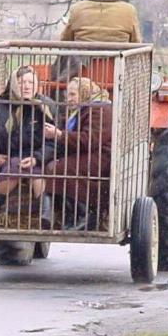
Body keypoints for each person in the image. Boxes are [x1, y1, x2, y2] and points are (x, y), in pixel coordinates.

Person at [0, 66, 55, 227]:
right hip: (8, 156)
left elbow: (54, 142)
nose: (26, 86)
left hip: (37, 156)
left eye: (31, 82)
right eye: (21, 82)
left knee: (36, 173)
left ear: (37, 85)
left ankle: (46, 214)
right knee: (14, 168)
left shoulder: (46, 107)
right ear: (12, 84)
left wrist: (37, 158)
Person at [44, 77, 112, 230]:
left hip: (101, 156)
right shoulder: (84, 109)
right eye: (67, 95)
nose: (69, 99)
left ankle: (85, 213)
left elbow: (90, 139)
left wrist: (59, 135)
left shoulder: (100, 109)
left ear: (85, 93)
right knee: (54, 166)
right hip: (88, 153)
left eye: (73, 94)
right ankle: (67, 214)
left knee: (62, 169)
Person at [60, 0, 142, 43]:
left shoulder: (77, 9)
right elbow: (136, 40)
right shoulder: (128, 10)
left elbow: (66, 38)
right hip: (117, 59)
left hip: (84, 59)